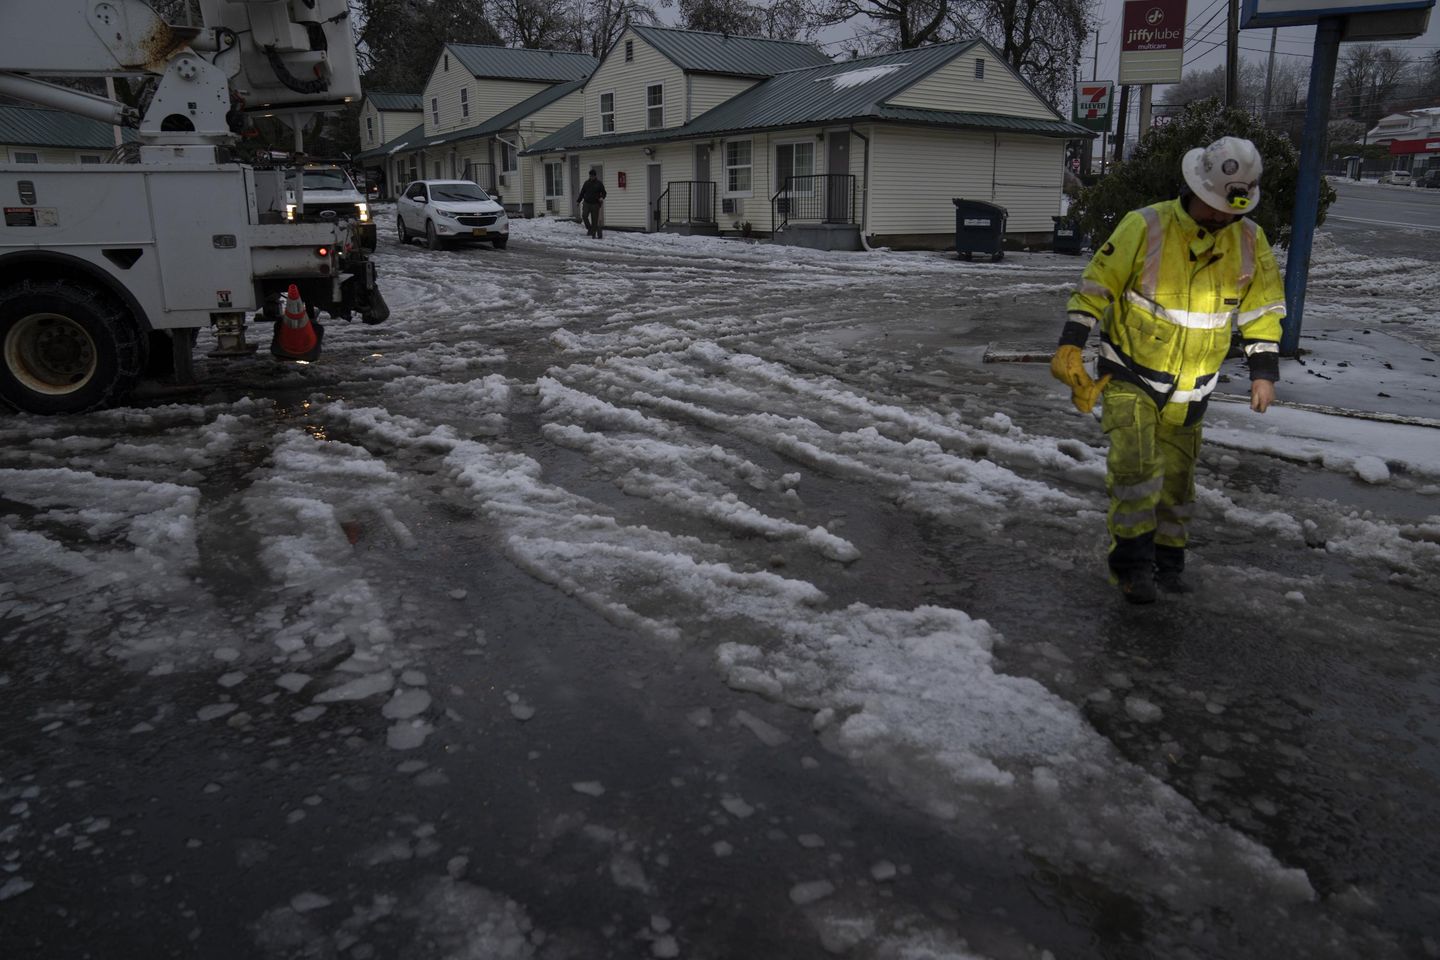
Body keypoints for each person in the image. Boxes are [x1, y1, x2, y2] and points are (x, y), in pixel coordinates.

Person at [1050, 136, 1286, 605]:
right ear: (1195, 187)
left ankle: (1169, 562)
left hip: (1193, 386)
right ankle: (1133, 567)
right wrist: (1071, 344)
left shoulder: (1249, 240)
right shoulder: (1146, 225)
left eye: (1231, 209)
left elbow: (1262, 310)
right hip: (1129, 372)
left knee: (1177, 479)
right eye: (1216, 205)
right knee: (1135, 469)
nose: (1222, 216)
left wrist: (1264, 371)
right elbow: (1096, 288)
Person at [577, 169, 606, 238]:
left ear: (595, 176)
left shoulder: (599, 183)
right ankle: (589, 228)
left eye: (593, 176)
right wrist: (578, 201)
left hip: (595, 204)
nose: (591, 177)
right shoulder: (586, 183)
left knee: (594, 220)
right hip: (586, 203)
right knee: (584, 216)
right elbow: (582, 193)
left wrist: (602, 197)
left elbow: (604, 193)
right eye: (590, 176)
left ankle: (593, 233)